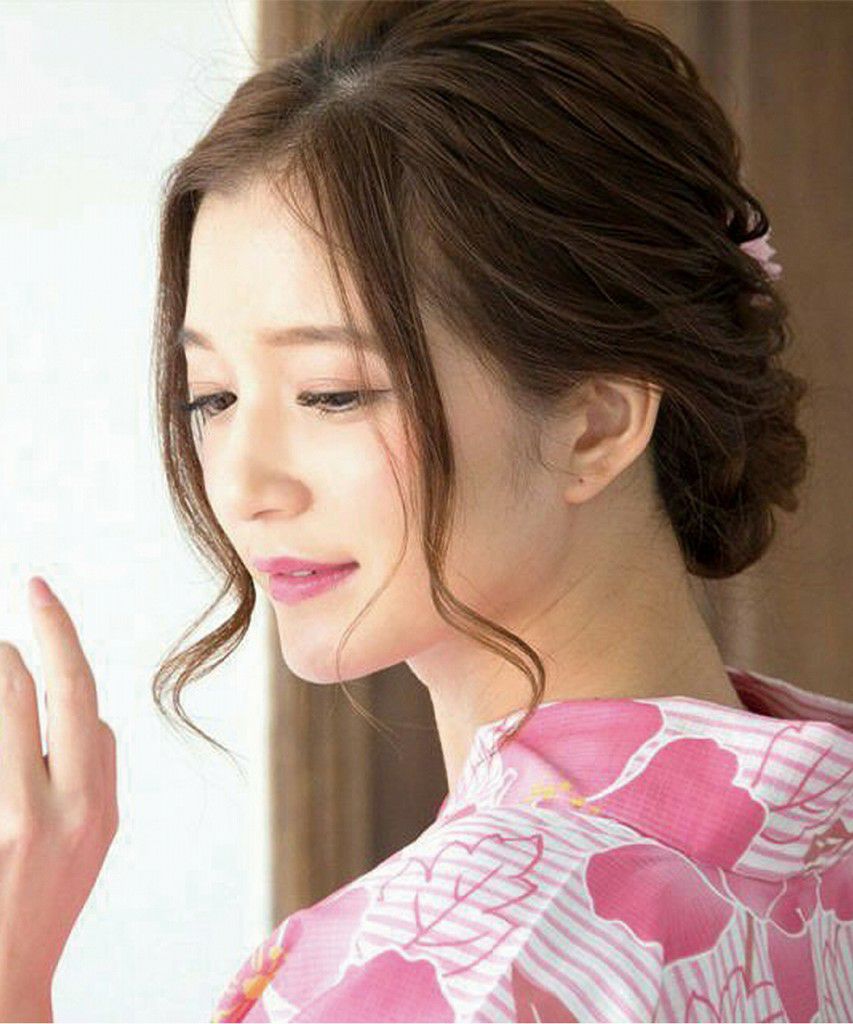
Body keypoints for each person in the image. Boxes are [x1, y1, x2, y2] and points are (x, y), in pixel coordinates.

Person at [141, 1, 851, 1020]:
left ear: (596, 422)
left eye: (332, 394)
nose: (246, 485)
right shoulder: (821, 829)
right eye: (210, 398)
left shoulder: (443, 964)